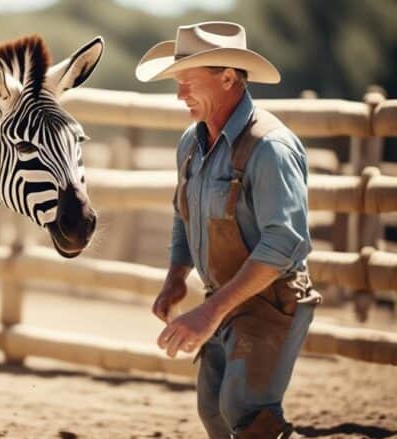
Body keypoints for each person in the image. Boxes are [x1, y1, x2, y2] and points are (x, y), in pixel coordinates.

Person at [135, 22, 321, 438]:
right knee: (212, 410)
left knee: (245, 413)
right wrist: (175, 277)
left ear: (228, 78)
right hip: (224, 298)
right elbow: (184, 214)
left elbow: (284, 243)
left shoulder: (270, 147)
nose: (180, 94)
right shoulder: (191, 143)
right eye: (177, 83)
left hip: (271, 302)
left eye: (188, 82)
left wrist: (209, 311)